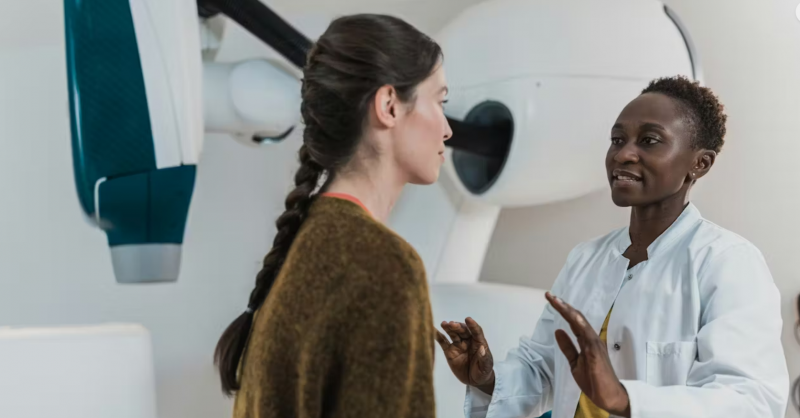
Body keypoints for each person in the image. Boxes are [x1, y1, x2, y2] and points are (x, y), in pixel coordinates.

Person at [436, 76, 789, 418]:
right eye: (617, 140)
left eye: (649, 141)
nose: (623, 154)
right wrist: (488, 379)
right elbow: (545, 367)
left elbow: (750, 401)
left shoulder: (727, 262)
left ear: (700, 163)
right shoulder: (586, 258)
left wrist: (625, 399)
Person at [214, 14, 452, 418]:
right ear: (389, 106)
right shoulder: (385, 265)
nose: (447, 129)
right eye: (440, 102)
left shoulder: (302, 244)